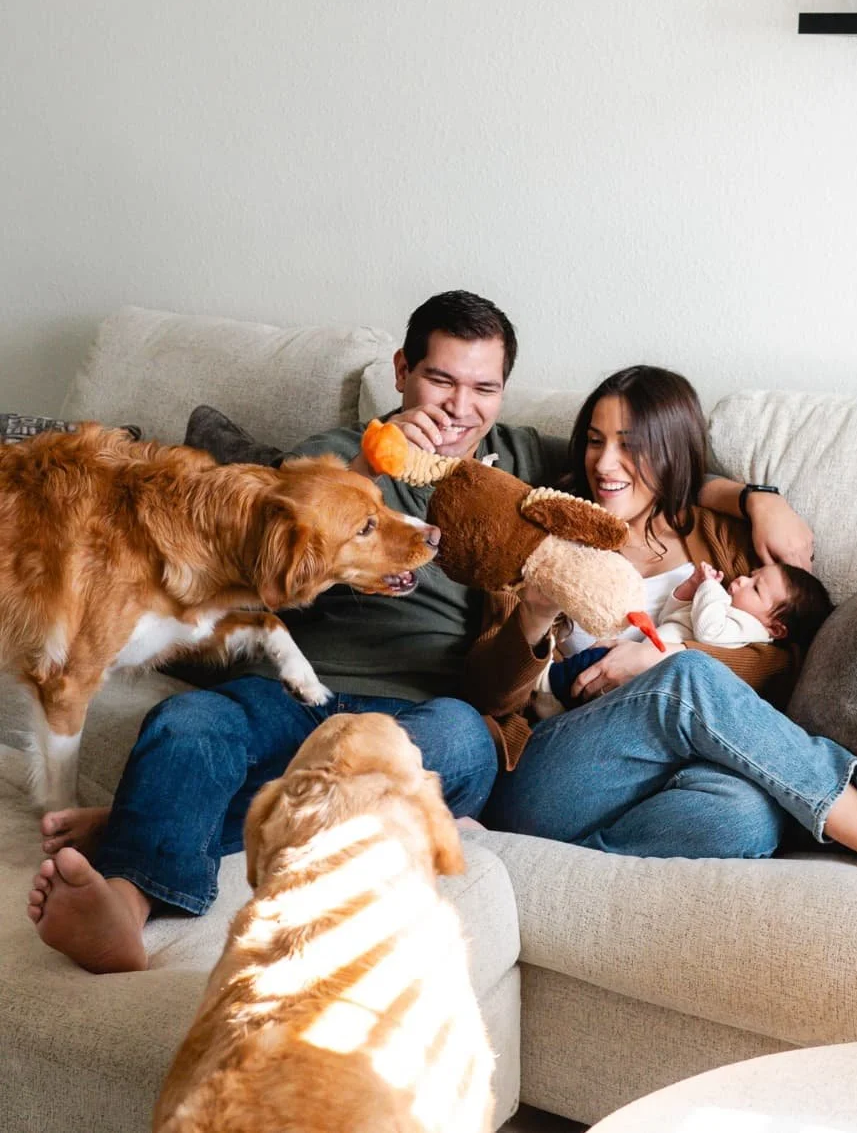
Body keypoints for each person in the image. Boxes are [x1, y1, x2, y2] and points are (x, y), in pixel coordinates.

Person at [26, 296, 816, 973]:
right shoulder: (329, 462)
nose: (459, 408)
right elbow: (259, 567)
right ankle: (124, 907)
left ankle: (157, 817)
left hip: (430, 713)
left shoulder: (518, 462)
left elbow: (637, 469)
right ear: (403, 370)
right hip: (295, 693)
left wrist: (755, 495)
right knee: (187, 721)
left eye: (484, 388)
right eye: (441, 379)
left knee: (459, 742)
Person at [465, 365, 857, 907]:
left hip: (680, 777)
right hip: (556, 768)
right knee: (685, 677)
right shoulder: (539, 537)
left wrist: (658, 658)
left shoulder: (721, 539)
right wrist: (535, 618)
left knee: (745, 813)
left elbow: (782, 659)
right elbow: (490, 698)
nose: (605, 463)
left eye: (630, 444)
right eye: (593, 440)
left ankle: (558, 874)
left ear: (671, 452)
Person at [541, 559, 832, 714]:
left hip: (651, 676)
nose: (742, 580)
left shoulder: (749, 630)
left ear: (776, 628)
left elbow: (708, 630)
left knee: (586, 670)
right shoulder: (727, 610)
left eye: (755, 588)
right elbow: (674, 617)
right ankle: (549, 693)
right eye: (752, 575)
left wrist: (709, 589)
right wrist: (690, 589)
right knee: (590, 669)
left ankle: (544, 687)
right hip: (640, 655)